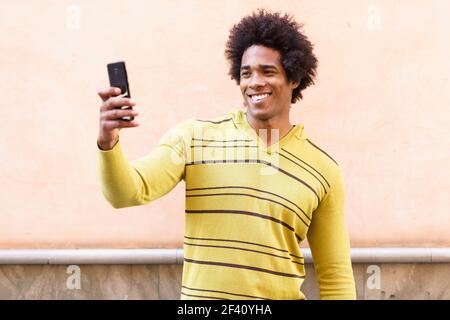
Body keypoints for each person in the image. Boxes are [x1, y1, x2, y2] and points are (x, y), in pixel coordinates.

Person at [97, 9, 356, 300]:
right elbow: (126, 193)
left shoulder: (324, 169)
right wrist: (109, 142)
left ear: (294, 78)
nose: (254, 82)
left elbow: (335, 276)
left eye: (267, 71)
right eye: (246, 73)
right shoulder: (193, 138)